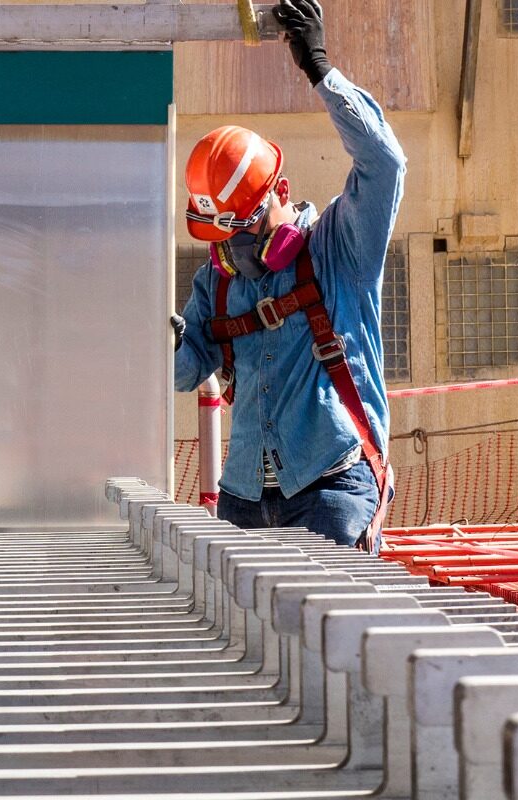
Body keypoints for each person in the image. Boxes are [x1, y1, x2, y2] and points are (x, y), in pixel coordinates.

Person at [171, 0, 406, 550]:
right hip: (243, 498)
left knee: (327, 633)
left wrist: (321, 70)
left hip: (330, 488)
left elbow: (385, 164)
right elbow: (186, 374)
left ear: (279, 191)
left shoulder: (340, 247)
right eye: (223, 235)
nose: (237, 247)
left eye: (246, 228)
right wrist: (166, 344)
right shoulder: (219, 281)